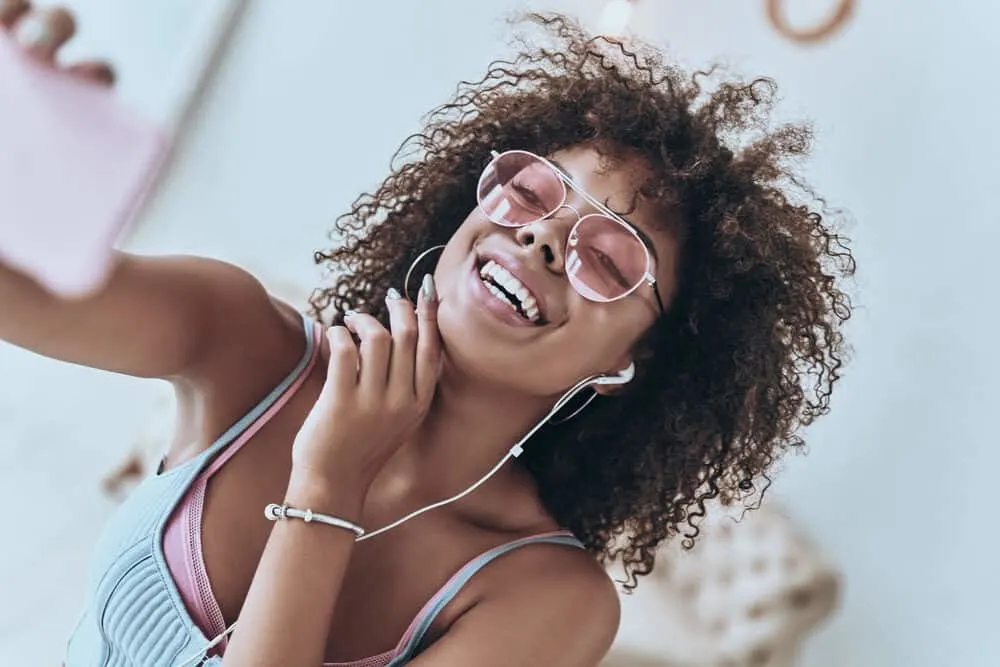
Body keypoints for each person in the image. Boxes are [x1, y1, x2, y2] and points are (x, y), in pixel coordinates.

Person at [0, 3, 855, 666]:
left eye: (608, 256)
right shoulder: (239, 340)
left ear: (628, 362)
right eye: (532, 193)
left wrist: (329, 484)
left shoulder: (547, 597)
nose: (545, 238)